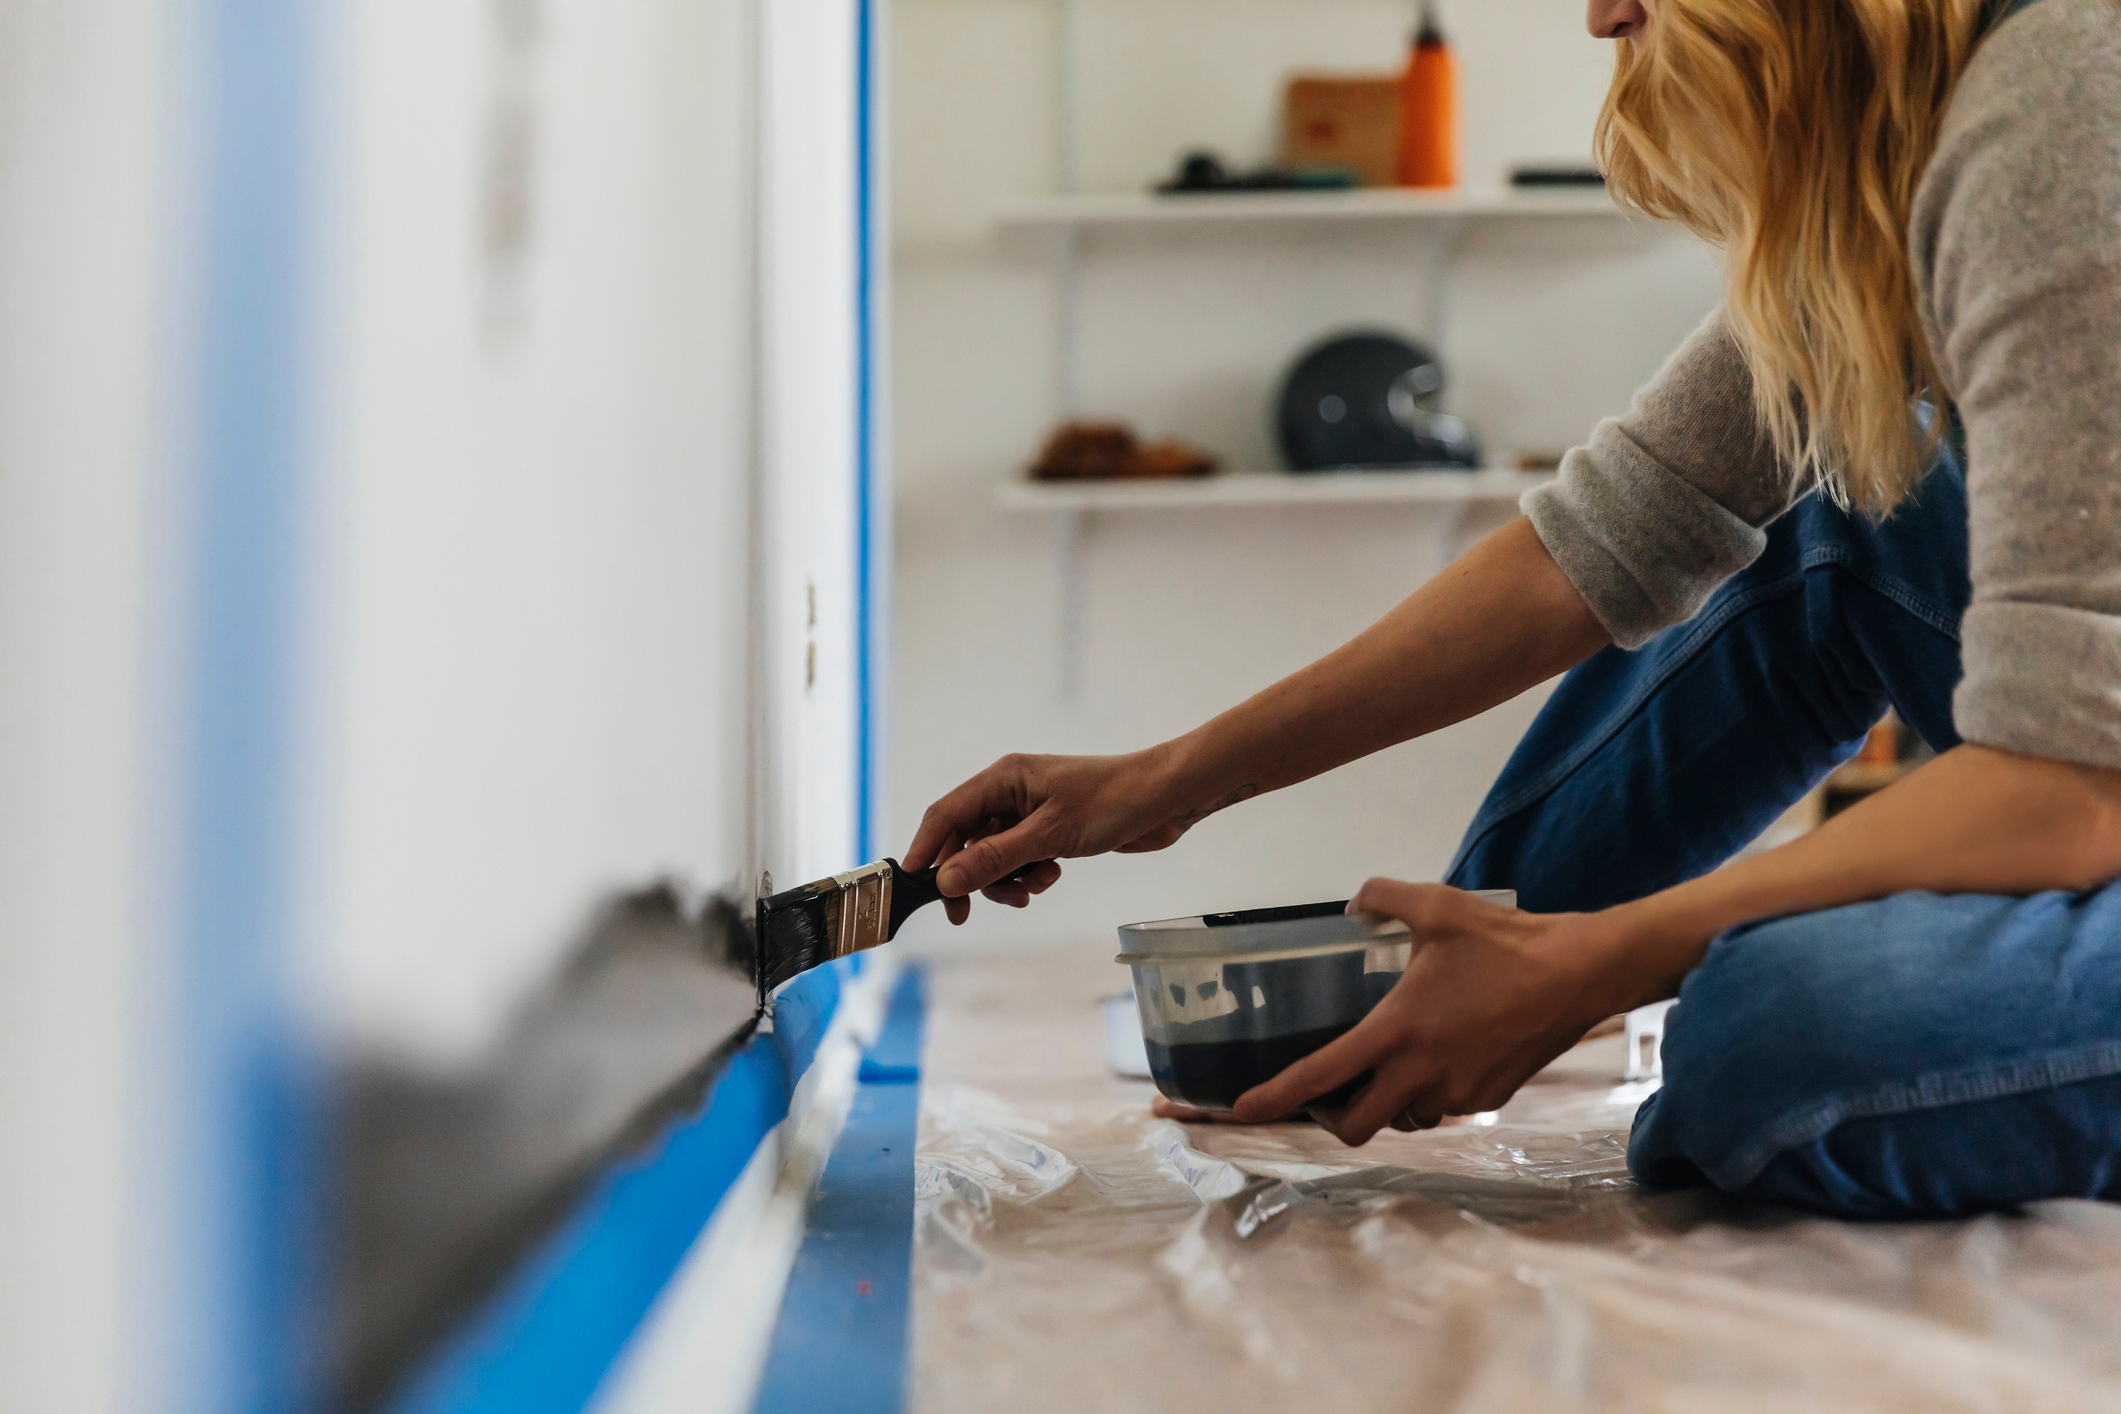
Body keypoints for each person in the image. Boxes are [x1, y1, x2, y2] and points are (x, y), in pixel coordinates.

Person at [905, 0, 2121, 1219]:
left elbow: (2072, 782)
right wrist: (1165, 783)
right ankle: (1435, 990)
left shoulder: (2063, 94)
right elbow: (1601, 538)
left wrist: (1597, 966)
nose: (1598, 14)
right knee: (1838, 518)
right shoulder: (1898, 163)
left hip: (2081, 782)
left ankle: (1536, 977)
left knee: (1764, 1041)